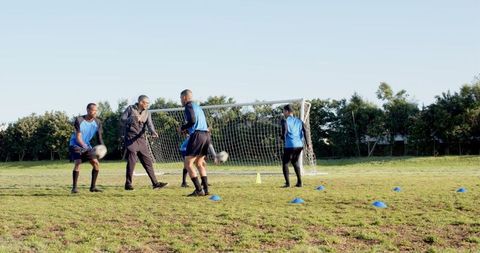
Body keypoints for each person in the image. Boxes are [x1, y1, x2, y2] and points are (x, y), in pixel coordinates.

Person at [121, 95, 168, 191]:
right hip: (130, 139)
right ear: (141, 102)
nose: (147, 105)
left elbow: (150, 125)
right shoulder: (130, 109)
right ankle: (128, 184)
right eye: (146, 103)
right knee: (132, 161)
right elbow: (122, 120)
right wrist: (132, 118)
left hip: (141, 140)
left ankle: (155, 184)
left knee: (148, 162)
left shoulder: (147, 113)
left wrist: (153, 132)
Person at [179, 89, 211, 196]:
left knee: (188, 164)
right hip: (206, 135)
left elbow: (192, 121)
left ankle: (198, 190)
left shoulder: (188, 106)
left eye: (180, 98)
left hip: (197, 135)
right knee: (199, 163)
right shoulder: (198, 107)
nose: (180, 101)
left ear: (184, 97)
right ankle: (205, 189)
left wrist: (183, 128)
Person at [69, 103, 104, 194]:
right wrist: (85, 147)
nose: (95, 112)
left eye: (96, 110)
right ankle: (74, 188)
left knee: (96, 163)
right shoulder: (79, 120)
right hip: (75, 145)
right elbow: (78, 138)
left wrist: (102, 147)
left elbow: (99, 137)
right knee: (78, 162)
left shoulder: (98, 122)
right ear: (88, 110)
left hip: (87, 145)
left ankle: (93, 187)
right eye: (93, 110)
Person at [280, 104, 311, 188]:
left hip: (290, 145)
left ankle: (287, 184)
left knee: (285, 163)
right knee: (295, 162)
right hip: (299, 145)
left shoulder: (285, 121)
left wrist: (282, 137)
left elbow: (284, 132)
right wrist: (308, 144)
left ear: (287, 111)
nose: (283, 113)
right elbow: (305, 131)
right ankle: (299, 183)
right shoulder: (299, 121)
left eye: (283, 111)